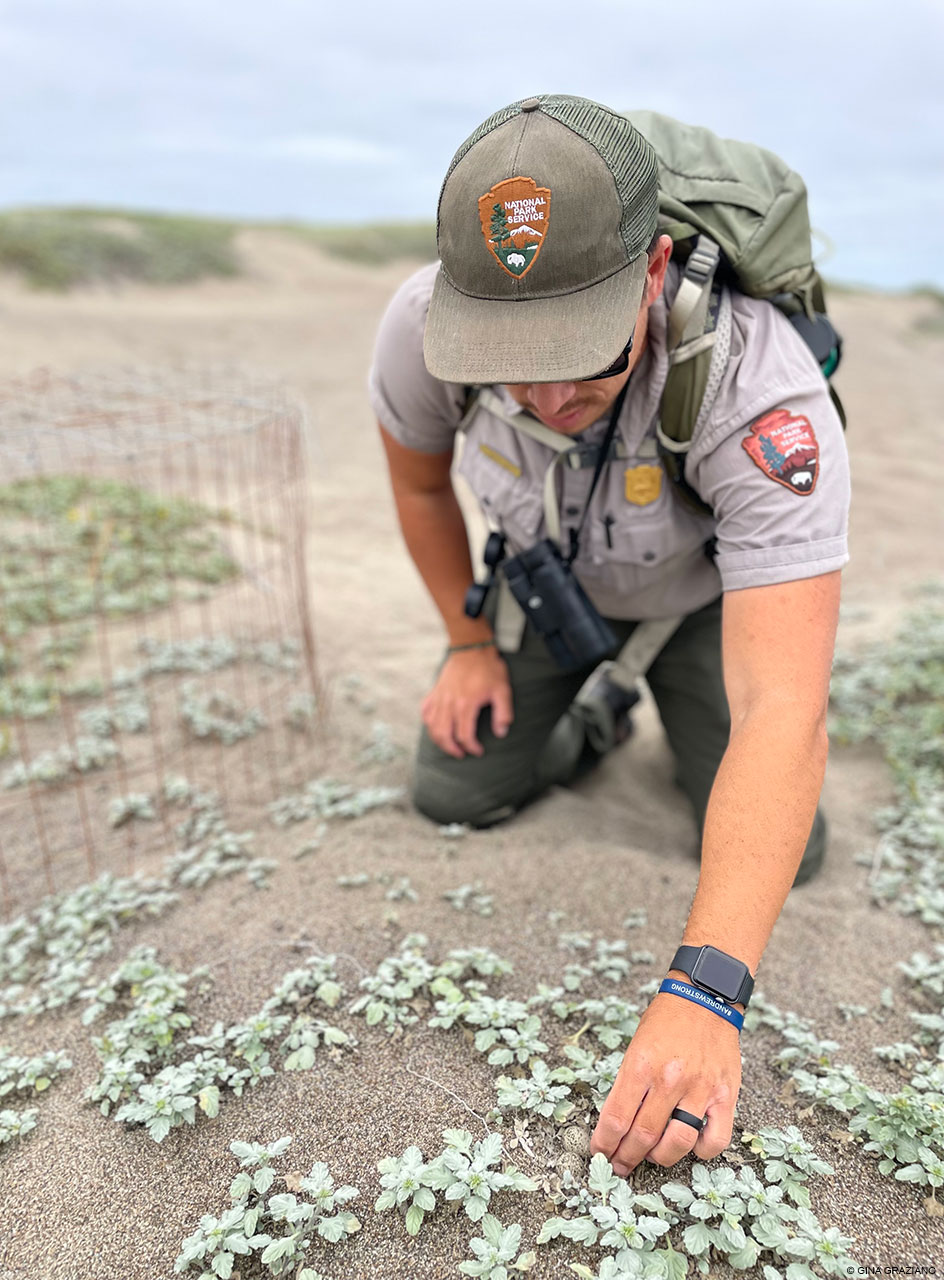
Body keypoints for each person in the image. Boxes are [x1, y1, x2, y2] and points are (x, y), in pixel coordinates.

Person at [368, 94, 849, 1178]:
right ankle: (596, 707)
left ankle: (667, 690)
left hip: (702, 601)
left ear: (652, 267)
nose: (543, 390)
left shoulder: (758, 386)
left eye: (577, 347)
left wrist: (703, 989)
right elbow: (417, 482)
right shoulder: (418, 329)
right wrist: (467, 641)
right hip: (549, 585)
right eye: (509, 350)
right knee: (451, 790)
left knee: (789, 849)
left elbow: (783, 707)